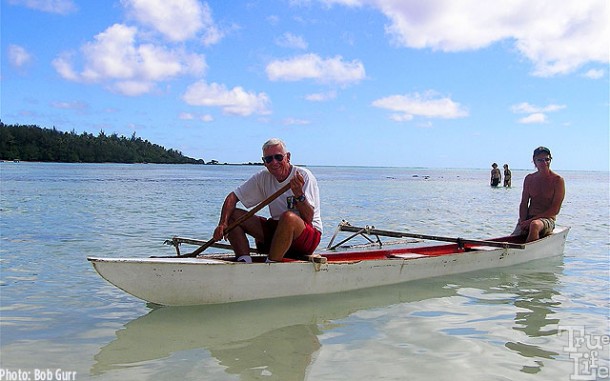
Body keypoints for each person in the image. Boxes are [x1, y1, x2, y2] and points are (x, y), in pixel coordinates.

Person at [213, 138, 322, 263]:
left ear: (288, 157)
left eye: (278, 157)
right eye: (269, 159)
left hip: (306, 235)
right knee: (233, 215)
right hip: (277, 231)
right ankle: (244, 261)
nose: (274, 162)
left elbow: (309, 218)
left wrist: (299, 195)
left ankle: (271, 264)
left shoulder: (303, 176)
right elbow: (232, 197)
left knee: (288, 218)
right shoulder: (263, 177)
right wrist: (223, 223)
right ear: (264, 162)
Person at [513, 146, 565, 242]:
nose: (544, 163)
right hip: (529, 217)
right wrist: (523, 221)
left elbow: (555, 210)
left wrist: (530, 222)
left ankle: (529, 253)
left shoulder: (557, 180)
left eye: (547, 159)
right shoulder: (529, 179)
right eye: (540, 160)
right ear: (534, 161)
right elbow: (524, 203)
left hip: (547, 219)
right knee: (513, 238)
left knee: (535, 225)